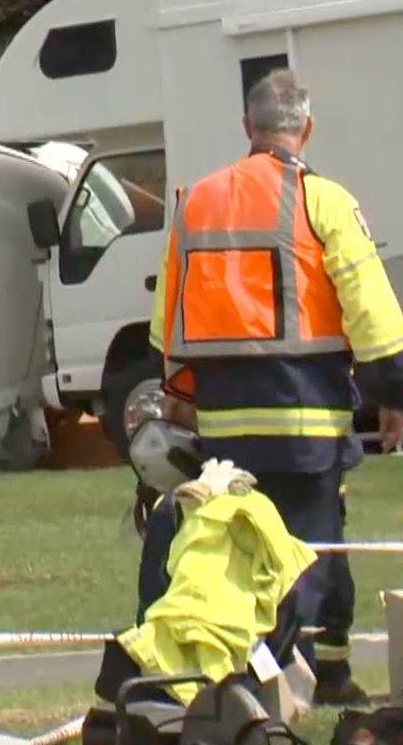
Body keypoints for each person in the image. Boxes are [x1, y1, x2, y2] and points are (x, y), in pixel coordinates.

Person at [148, 68, 403, 704]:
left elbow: (168, 326)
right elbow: (372, 314)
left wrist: (181, 391)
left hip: (225, 435)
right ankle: (299, 684)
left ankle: (290, 677)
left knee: (243, 556)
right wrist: (392, 393)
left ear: (247, 129)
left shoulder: (196, 202)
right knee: (311, 555)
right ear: (306, 129)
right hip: (307, 424)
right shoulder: (325, 202)